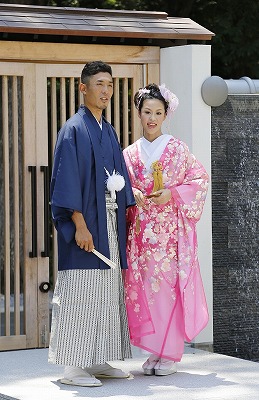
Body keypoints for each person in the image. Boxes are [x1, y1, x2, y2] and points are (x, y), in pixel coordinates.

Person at [48, 61, 135, 387]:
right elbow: (66, 183)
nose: (106, 90)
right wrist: (79, 225)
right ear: (83, 88)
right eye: (99, 84)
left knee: (107, 290)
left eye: (110, 84)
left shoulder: (108, 130)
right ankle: (72, 367)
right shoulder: (73, 129)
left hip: (108, 222)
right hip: (85, 224)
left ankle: (98, 359)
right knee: (81, 292)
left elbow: (118, 178)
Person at [123, 83, 209, 377]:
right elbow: (120, 185)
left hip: (169, 234)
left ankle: (169, 353)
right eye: (147, 112)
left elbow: (199, 180)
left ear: (165, 115)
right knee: (146, 290)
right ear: (138, 113)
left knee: (168, 290)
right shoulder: (130, 153)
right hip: (142, 232)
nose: (152, 118)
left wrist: (171, 194)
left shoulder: (177, 148)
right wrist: (132, 190)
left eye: (158, 112)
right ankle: (153, 351)